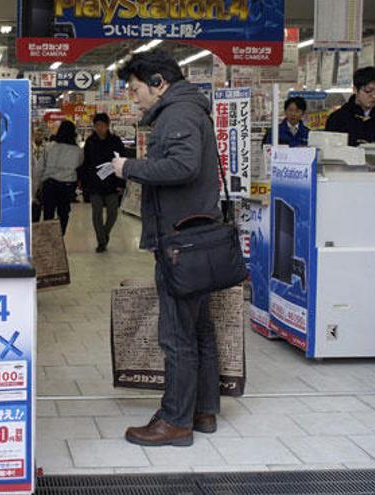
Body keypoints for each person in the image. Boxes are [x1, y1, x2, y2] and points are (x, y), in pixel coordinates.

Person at [110, 51, 222, 448]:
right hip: (196, 235)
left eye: (136, 89)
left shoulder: (177, 114)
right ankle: (202, 410)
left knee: (176, 333)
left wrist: (131, 168)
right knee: (199, 328)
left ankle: (175, 421)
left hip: (180, 241)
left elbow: (183, 167)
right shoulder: (190, 110)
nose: (134, 98)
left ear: (158, 83)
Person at [325, 67, 375, 155]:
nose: (374, 96)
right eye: (368, 91)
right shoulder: (337, 118)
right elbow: (329, 152)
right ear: (355, 90)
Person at [81, 113, 126, 252]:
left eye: (102, 125)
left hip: (112, 182)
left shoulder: (116, 141)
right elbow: (86, 163)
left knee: (113, 212)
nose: (100, 128)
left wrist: (121, 183)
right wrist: (84, 183)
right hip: (95, 183)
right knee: (97, 213)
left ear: (108, 126)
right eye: (97, 125)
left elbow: (122, 162)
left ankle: (104, 233)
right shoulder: (90, 142)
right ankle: (101, 242)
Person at [34, 120, 83, 235]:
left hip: (49, 185)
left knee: (48, 213)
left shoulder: (49, 147)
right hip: (67, 186)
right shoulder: (78, 151)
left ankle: (49, 240)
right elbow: (79, 167)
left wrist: (35, 188)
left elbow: (39, 168)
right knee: (64, 213)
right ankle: (60, 236)